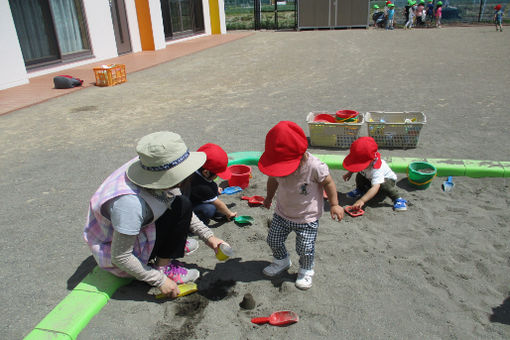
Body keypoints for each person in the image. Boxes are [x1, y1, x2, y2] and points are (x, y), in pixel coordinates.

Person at [83, 131, 225, 299]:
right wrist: (159, 280)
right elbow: (121, 257)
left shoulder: (150, 166)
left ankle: (166, 251)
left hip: (141, 228)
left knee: (183, 203)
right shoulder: (129, 204)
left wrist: (208, 237)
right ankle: (163, 267)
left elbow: (177, 204)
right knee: (181, 205)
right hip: (117, 252)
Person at [258, 121, 344, 290]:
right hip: (282, 213)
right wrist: (268, 198)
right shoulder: (276, 167)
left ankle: (306, 269)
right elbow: (272, 180)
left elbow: (328, 182)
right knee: (273, 240)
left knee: (305, 248)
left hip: (307, 218)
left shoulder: (314, 166)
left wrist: (334, 204)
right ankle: (282, 260)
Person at [342, 137, 408, 212]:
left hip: (387, 180)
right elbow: (355, 165)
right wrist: (349, 173)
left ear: (372, 159)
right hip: (369, 178)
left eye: (360, 163)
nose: (358, 164)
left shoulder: (377, 168)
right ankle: (360, 190)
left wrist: (362, 200)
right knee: (360, 175)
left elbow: (375, 187)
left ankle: (398, 199)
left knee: (384, 185)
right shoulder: (365, 160)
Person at [189, 143, 237, 224]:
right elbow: (218, 203)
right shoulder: (201, 186)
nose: (218, 176)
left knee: (214, 188)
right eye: (217, 175)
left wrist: (215, 189)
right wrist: (229, 214)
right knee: (209, 209)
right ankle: (192, 224)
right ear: (206, 172)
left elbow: (210, 183)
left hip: (194, 195)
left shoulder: (196, 169)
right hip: (188, 207)